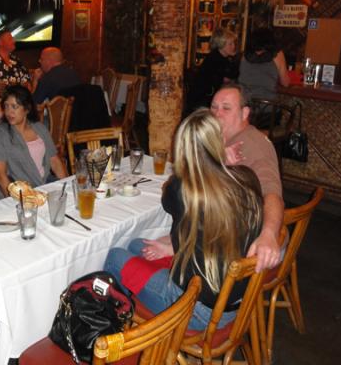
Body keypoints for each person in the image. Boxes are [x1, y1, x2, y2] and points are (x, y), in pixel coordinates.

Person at [104, 109, 263, 331]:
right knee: (136, 245)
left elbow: (168, 197)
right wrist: (221, 163)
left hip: (197, 310)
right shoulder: (247, 176)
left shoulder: (182, 188)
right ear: (219, 141)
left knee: (114, 256)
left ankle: (126, 331)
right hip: (236, 300)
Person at [141, 84, 284, 273]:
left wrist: (269, 234)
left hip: (246, 253)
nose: (217, 114)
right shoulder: (223, 140)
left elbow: (272, 193)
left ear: (244, 113)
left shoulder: (253, 146)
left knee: (135, 246)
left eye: (226, 108)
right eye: (214, 107)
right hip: (220, 235)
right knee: (151, 239)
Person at [0, 85, 67, 198]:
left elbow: (55, 161)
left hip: (46, 185)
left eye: (14, 106)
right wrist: (20, 202)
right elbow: (0, 177)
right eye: (6, 106)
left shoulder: (39, 128)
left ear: (27, 109)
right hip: (20, 192)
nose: (9, 112)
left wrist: (66, 187)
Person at [238, 28, 289, 127]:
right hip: (268, 112)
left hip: (246, 110)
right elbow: (285, 83)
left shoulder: (244, 56)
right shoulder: (278, 55)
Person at [187, 28, 239, 111]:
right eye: (230, 44)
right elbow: (223, 81)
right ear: (221, 45)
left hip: (210, 99)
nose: (233, 46)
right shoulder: (214, 59)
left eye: (234, 43)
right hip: (203, 103)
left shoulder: (224, 58)